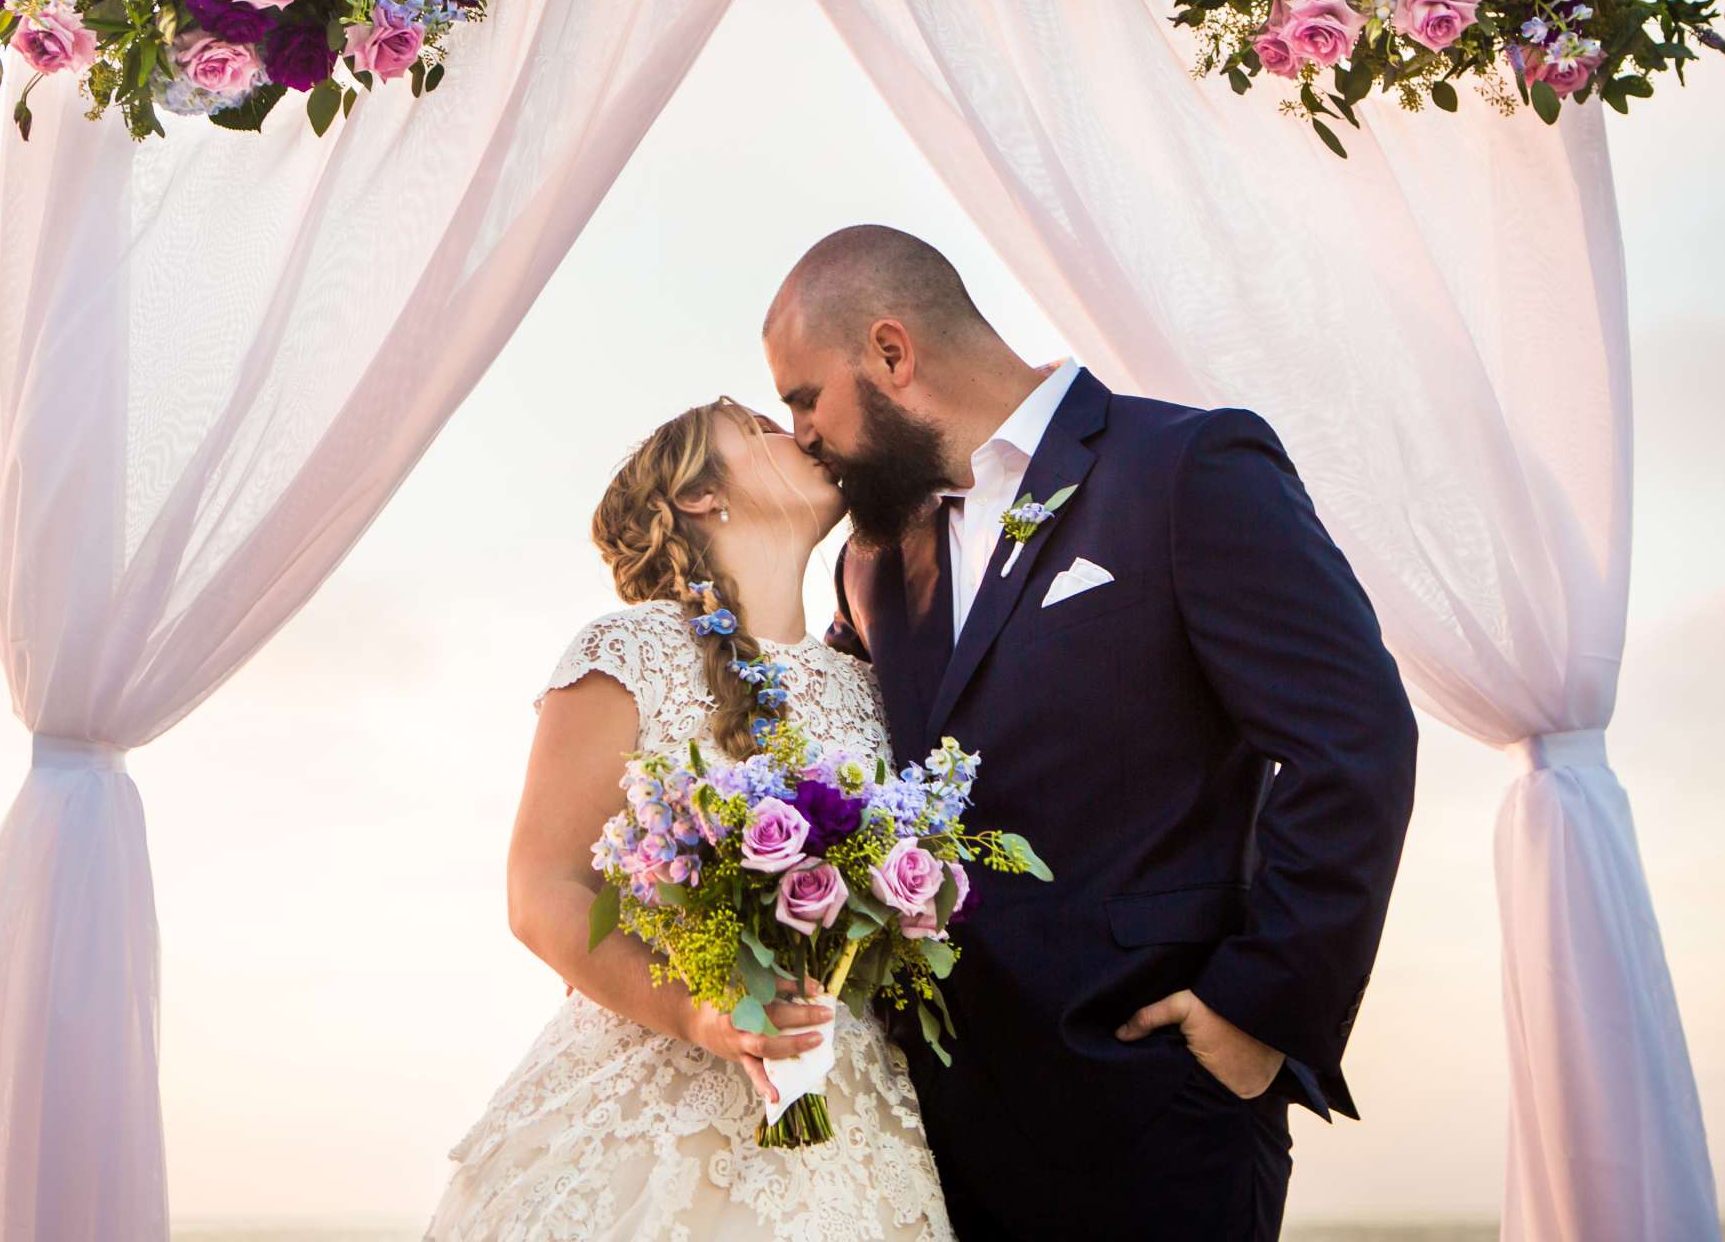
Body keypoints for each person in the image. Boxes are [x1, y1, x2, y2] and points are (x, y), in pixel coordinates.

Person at [762, 225, 1419, 1240]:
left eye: (806, 397)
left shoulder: (1188, 467)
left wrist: (1257, 1008)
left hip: (1152, 1120)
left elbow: (1357, 738)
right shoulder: (871, 563)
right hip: (930, 1146)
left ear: (891, 353)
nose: (799, 432)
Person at [427, 398, 953, 1240]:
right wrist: (703, 1016)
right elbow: (542, 888)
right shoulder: (626, 651)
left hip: (850, 1109)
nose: (803, 434)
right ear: (702, 497)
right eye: (762, 430)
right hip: (657, 1102)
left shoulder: (867, 684)